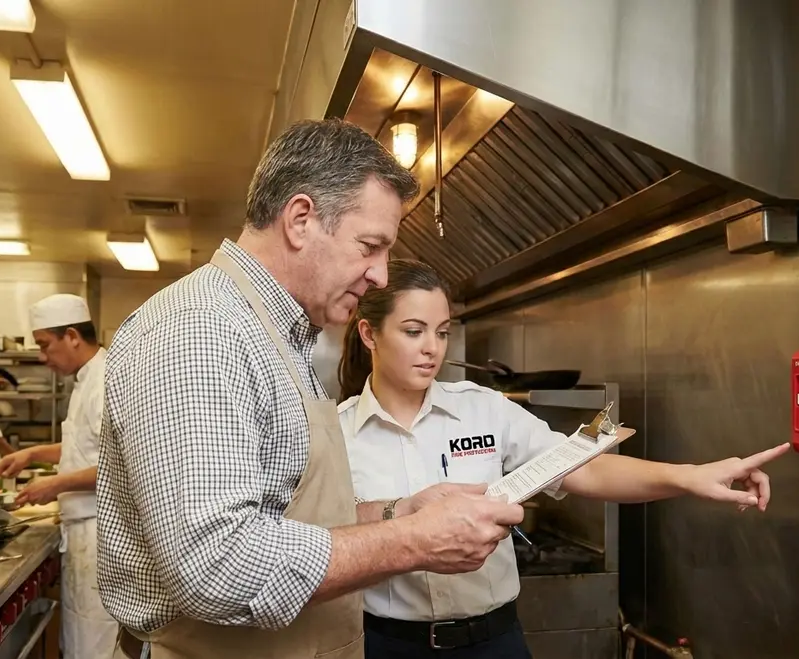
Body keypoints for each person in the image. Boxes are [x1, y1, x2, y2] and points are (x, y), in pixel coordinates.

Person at [96, 118, 526, 659]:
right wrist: (414, 540)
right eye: (370, 246)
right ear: (300, 220)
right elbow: (218, 565)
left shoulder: (273, 334)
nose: (380, 275)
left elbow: (283, 517)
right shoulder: (202, 329)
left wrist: (400, 512)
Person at [336, 259, 791, 659]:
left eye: (442, 332)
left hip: (492, 644)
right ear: (369, 333)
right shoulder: (335, 434)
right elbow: (316, 536)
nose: (432, 348)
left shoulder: (483, 409)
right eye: (413, 331)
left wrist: (691, 476)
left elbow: (585, 468)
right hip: (382, 645)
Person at [0, 293, 124, 659]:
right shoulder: (85, 380)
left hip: (101, 535)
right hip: (83, 533)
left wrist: (55, 484)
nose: (42, 357)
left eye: (44, 345)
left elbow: (120, 465)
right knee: (82, 636)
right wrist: (33, 454)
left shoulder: (105, 381)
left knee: (96, 641)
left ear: (72, 336)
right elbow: (86, 446)